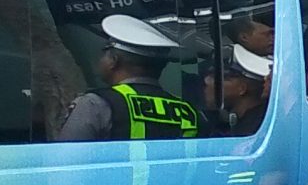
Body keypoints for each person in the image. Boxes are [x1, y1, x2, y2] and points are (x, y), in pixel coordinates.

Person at [59, 14, 203, 140]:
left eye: (104, 52)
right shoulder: (189, 111)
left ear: (113, 61)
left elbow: (67, 161)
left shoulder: (95, 104)